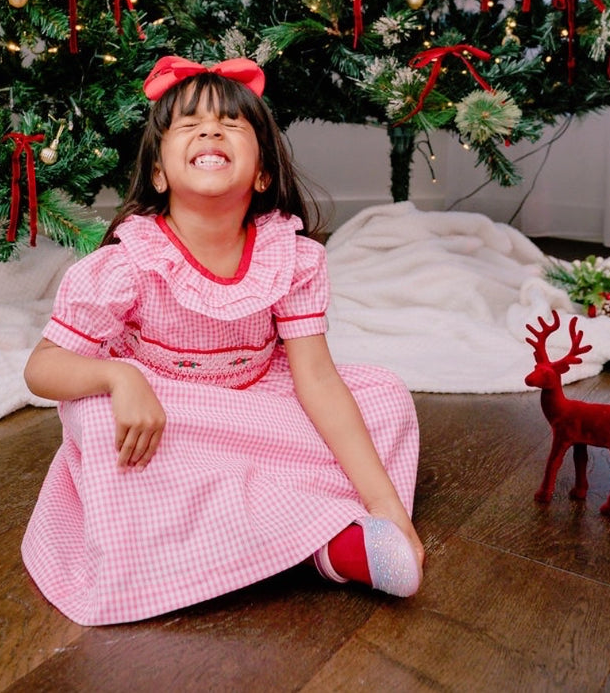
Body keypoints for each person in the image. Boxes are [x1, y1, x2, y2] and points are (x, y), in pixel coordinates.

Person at [22, 54, 424, 626]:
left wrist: (390, 511)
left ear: (262, 173)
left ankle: (331, 538)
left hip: (259, 404)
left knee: (383, 396)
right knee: (100, 420)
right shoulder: (126, 264)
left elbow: (316, 379)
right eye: (188, 125)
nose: (210, 129)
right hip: (174, 413)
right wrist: (120, 375)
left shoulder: (292, 257)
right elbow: (42, 368)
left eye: (231, 124)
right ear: (159, 174)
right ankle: (300, 537)